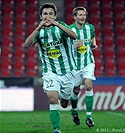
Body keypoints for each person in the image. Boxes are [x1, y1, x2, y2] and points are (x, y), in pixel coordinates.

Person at [24, 3, 77, 133]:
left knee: (64, 103)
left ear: (55, 15)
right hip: (50, 72)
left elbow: (74, 36)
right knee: (52, 98)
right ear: (41, 16)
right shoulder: (39, 32)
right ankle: (57, 129)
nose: (47, 17)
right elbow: (26, 44)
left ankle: (66, 100)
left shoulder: (61, 27)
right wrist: (37, 28)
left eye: (50, 14)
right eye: (45, 14)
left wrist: (57, 24)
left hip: (67, 72)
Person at [69, 6, 98, 127]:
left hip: (88, 62)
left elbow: (92, 37)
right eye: (80, 15)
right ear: (75, 16)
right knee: (75, 90)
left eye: (84, 15)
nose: (83, 17)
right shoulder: (69, 29)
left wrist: (94, 44)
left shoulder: (90, 27)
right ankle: (74, 111)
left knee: (88, 85)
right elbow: (66, 48)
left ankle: (89, 117)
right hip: (75, 65)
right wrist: (74, 46)